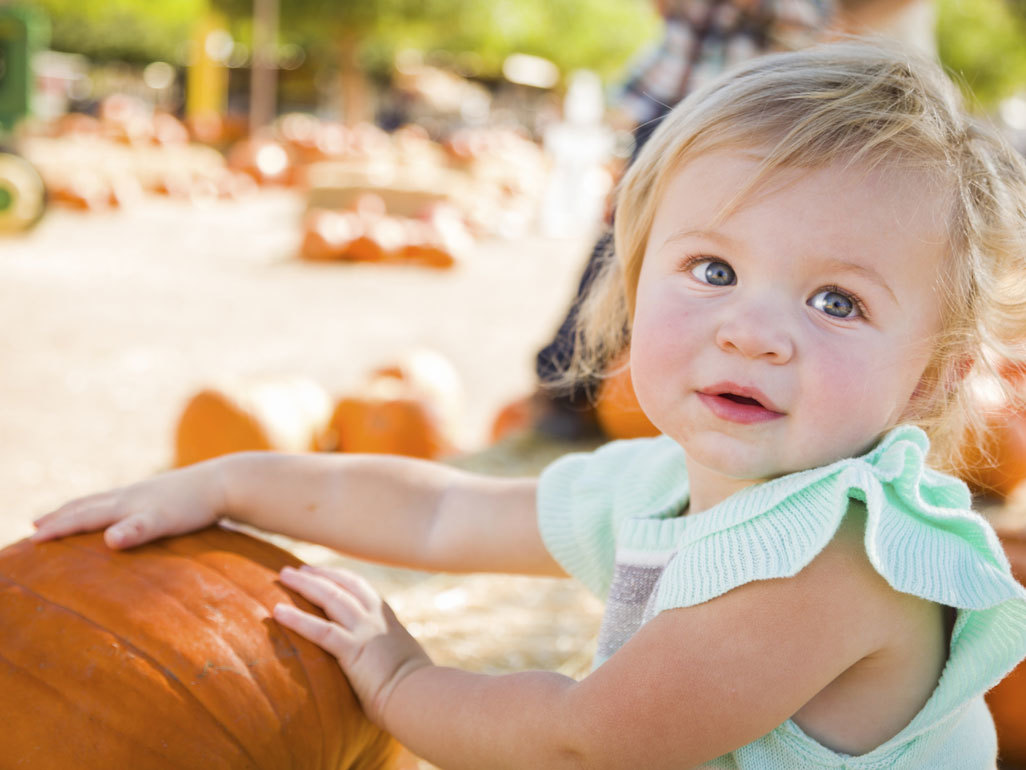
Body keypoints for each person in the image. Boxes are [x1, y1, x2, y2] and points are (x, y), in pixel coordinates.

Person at [33, 42, 1026, 767]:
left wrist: (398, 677)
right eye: (713, 267)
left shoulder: (836, 563)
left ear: (933, 374)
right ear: (635, 288)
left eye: (836, 300)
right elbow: (441, 509)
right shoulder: (659, 483)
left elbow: (585, 741)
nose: (754, 330)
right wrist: (229, 480)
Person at [529, 0, 932, 440]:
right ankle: (569, 381)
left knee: (759, 253)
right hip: (677, 96)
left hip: (769, 112)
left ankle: (727, 397)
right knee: (625, 242)